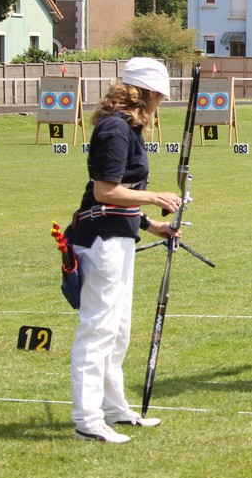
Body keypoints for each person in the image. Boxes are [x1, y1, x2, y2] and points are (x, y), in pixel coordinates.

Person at [69, 58, 181, 443]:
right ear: (146, 93)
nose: (160, 104)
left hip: (117, 236)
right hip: (101, 241)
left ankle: (114, 410)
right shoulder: (116, 129)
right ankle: (87, 420)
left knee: (117, 330)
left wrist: (153, 226)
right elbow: (105, 191)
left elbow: (121, 199)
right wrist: (155, 197)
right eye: (160, 97)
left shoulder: (126, 128)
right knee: (98, 329)